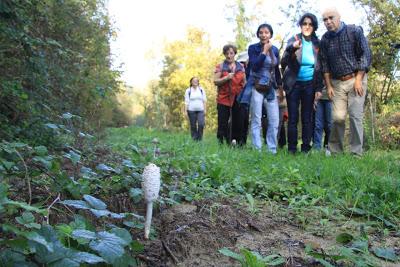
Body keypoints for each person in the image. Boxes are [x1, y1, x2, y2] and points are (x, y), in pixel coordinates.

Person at [319, 7, 371, 156]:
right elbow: (324, 64)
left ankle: (356, 154)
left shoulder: (354, 31)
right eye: (325, 19)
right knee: (337, 118)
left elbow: (365, 55)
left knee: (355, 116)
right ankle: (336, 152)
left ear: (339, 17)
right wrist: (328, 86)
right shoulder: (325, 39)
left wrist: (359, 79)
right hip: (336, 83)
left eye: (331, 18)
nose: (328, 22)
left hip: (356, 78)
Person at [281, 13, 324, 154]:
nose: (307, 26)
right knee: (293, 118)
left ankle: (306, 148)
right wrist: (292, 48)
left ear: (314, 26)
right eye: (304, 23)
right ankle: (292, 149)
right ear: (300, 25)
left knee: (307, 118)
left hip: (309, 85)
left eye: (310, 24)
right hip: (293, 85)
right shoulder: (293, 40)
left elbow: (319, 68)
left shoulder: (317, 44)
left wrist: (318, 88)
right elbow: (284, 61)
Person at [238, 23, 283, 154]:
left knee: (274, 120)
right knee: (256, 118)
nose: (264, 35)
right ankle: (257, 149)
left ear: (270, 35)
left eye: (266, 32)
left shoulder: (274, 50)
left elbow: (276, 70)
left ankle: (272, 150)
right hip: (256, 85)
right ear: (258, 34)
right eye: (261, 32)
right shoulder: (252, 48)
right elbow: (255, 66)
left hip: (270, 87)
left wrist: (280, 88)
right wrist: (264, 51)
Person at [214, 44, 246, 145]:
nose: (229, 56)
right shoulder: (220, 66)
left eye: (231, 53)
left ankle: (234, 142)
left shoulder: (241, 67)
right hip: (223, 98)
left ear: (234, 54)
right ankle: (221, 142)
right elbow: (215, 81)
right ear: (224, 54)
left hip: (237, 98)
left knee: (237, 121)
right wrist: (226, 78)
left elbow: (244, 82)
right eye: (227, 53)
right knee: (222, 121)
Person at [184, 77, 206, 141]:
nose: (195, 82)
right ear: (191, 82)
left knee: (201, 124)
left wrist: (205, 109)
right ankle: (194, 140)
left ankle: (200, 139)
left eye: (196, 81)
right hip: (191, 111)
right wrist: (185, 111)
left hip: (201, 110)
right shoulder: (188, 90)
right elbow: (186, 102)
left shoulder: (201, 89)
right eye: (194, 81)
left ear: (198, 82)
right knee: (193, 126)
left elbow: (204, 100)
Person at [236, 51, 250, 146]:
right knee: (239, 120)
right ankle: (237, 141)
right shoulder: (237, 69)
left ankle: (242, 142)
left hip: (248, 99)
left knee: (245, 120)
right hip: (238, 98)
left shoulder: (251, 69)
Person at [313, 86, 332, 153]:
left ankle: (330, 148)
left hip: (331, 97)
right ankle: (316, 148)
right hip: (319, 98)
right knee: (318, 125)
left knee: (330, 125)